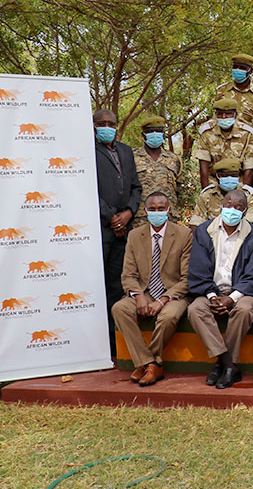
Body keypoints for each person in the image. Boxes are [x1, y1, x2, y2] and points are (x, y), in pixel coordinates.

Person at [186, 189, 253, 389]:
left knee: (245, 310)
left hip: (241, 292)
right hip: (210, 291)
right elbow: (198, 269)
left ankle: (222, 365)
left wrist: (232, 298)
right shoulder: (204, 231)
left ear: (245, 210)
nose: (232, 210)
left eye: (238, 207)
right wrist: (213, 296)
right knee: (195, 309)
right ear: (221, 206)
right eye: (228, 205)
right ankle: (228, 363)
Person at [111, 192, 191, 386]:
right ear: (145, 211)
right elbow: (128, 275)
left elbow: (186, 278)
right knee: (119, 309)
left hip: (173, 294)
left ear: (169, 209)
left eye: (161, 209)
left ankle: (146, 365)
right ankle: (150, 363)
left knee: (168, 317)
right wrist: (138, 296)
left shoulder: (183, 234)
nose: (157, 212)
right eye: (153, 209)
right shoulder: (135, 235)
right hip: (144, 291)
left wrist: (162, 300)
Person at [95, 109, 142, 356]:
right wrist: (111, 216)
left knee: (118, 285)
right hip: (100, 229)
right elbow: (87, 188)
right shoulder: (88, 151)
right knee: (98, 286)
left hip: (125, 229)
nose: (106, 127)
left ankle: (117, 345)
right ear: (93, 126)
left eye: (110, 123)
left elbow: (136, 186)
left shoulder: (125, 150)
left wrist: (127, 214)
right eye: (101, 123)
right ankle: (99, 343)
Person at [131, 115, 185, 227]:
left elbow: (178, 189)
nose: (155, 134)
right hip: (140, 218)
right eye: (151, 131)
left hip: (168, 217)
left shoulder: (174, 159)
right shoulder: (132, 157)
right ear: (143, 135)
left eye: (159, 131)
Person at [193, 98, 253, 190]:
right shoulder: (206, 132)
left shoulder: (248, 134)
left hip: (239, 181)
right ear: (216, 115)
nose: (224, 117)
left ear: (235, 115)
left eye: (228, 114)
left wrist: (243, 192)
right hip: (215, 181)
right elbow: (204, 166)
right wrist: (206, 191)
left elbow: (249, 166)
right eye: (220, 114)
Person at [190, 158, 253, 227]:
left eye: (234, 175)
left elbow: (251, 225)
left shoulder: (249, 195)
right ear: (217, 176)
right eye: (225, 175)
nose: (230, 178)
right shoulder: (207, 194)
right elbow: (196, 223)